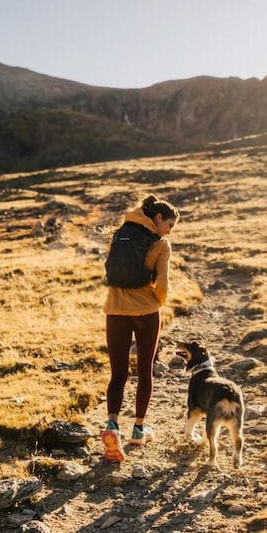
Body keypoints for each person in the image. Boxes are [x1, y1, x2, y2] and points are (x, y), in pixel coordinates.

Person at [101, 193, 179, 462]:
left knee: (118, 373)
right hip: (146, 313)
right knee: (145, 370)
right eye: (169, 225)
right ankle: (138, 428)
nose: (169, 231)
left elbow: (110, 269)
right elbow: (164, 284)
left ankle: (112, 426)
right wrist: (154, 302)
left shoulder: (119, 233)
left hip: (114, 311)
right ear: (158, 219)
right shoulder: (161, 244)